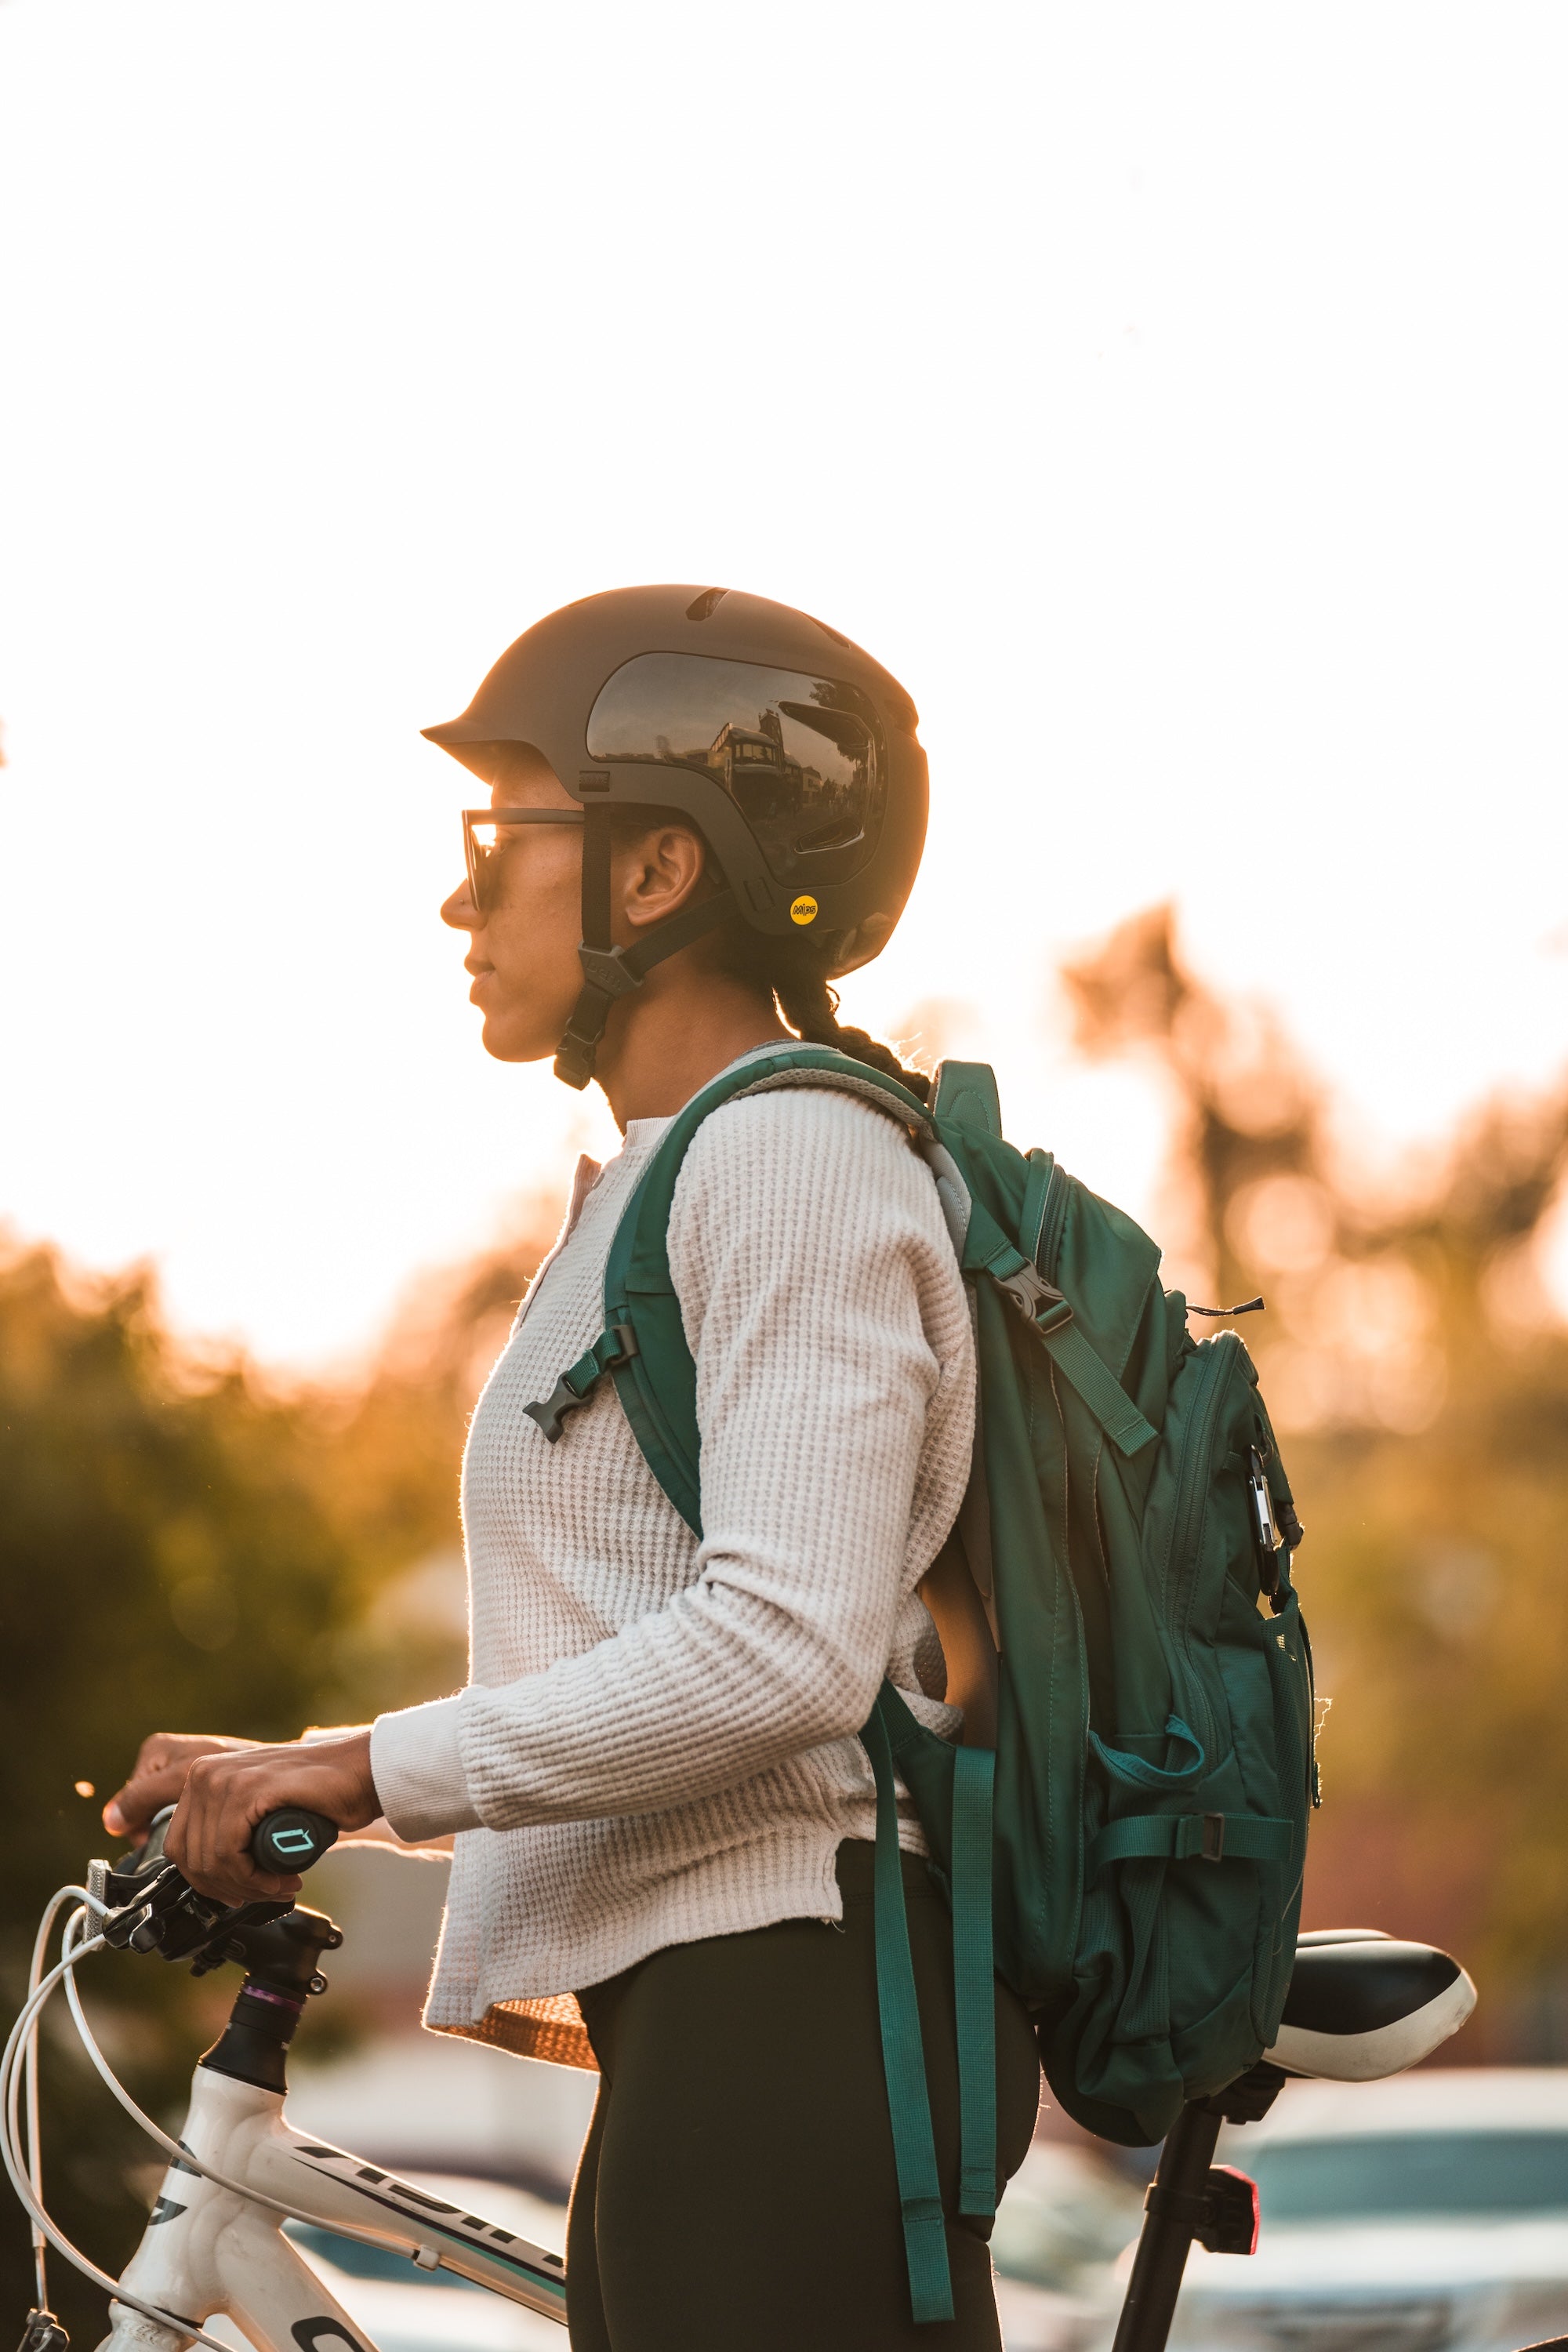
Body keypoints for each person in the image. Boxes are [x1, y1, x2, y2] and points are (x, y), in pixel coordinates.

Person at [104, 586, 1042, 2351]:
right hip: (705, 2026)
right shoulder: (665, 1176)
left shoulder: (788, 1162)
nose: (461, 895)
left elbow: (782, 1655)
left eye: (502, 835)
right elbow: (641, 1667)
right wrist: (311, 1781)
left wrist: (364, 1769)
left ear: (657, 871)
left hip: (798, 2022)